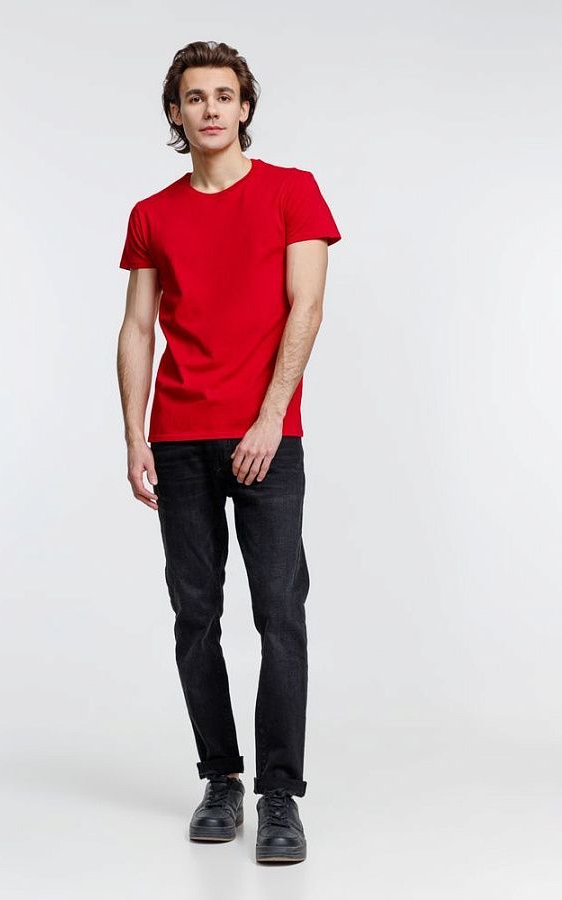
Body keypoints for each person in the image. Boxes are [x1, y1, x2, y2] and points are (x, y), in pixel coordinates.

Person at [117, 40, 341, 864]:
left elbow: (305, 308)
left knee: (279, 613)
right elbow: (137, 327)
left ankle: (279, 793)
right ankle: (220, 778)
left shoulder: (291, 191)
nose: (209, 109)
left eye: (223, 95)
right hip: (178, 440)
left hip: (266, 439)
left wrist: (269, 417)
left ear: (244, 107)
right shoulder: (152, 213)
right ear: (175, 113)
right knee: (194, 616)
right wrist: (134, 434)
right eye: (193, 97)